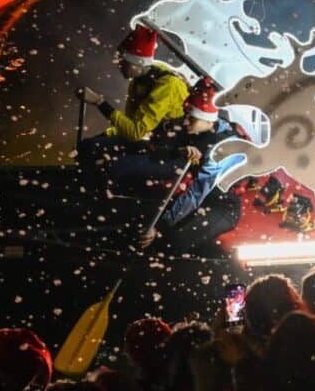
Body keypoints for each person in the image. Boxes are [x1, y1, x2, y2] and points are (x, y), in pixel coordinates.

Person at [136, 79, 243, 255]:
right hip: (198, 197)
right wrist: (179, 151)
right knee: (145, 215)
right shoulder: (193, 127)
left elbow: (197, 193)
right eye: (186, 115)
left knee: (174, 242)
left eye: (191, 118)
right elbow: (156, 149)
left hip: (221, 206)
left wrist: (160, 225)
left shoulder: (221, 148)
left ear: (207, 119)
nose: (185, 122)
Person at [77, 26, 190, 164]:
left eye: (124, 62)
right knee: (87, 146)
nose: (119, 65)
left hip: (167, 149)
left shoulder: (167, 86)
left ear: (138, 64)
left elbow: (136, 132)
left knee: (102, 156)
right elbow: (130, 123)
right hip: (150, 139)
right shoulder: (138, 82)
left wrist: (100, 103)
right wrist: (106, 134)